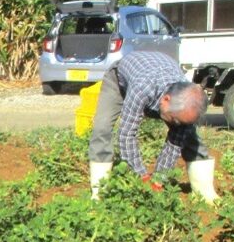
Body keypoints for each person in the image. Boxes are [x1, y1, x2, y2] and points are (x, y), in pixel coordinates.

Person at [88, 50, 219, 202]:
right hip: (118, 81)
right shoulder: (143, 87)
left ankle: (204, 192)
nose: (175, 124)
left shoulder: (186, 97)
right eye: (174, 119)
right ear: (166, 99)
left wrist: (159, 179)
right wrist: (141, 176)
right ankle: (99, 192)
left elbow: (174, 144)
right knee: (102, 128)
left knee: (190, 135)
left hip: (156, 78)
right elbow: (127, 134)